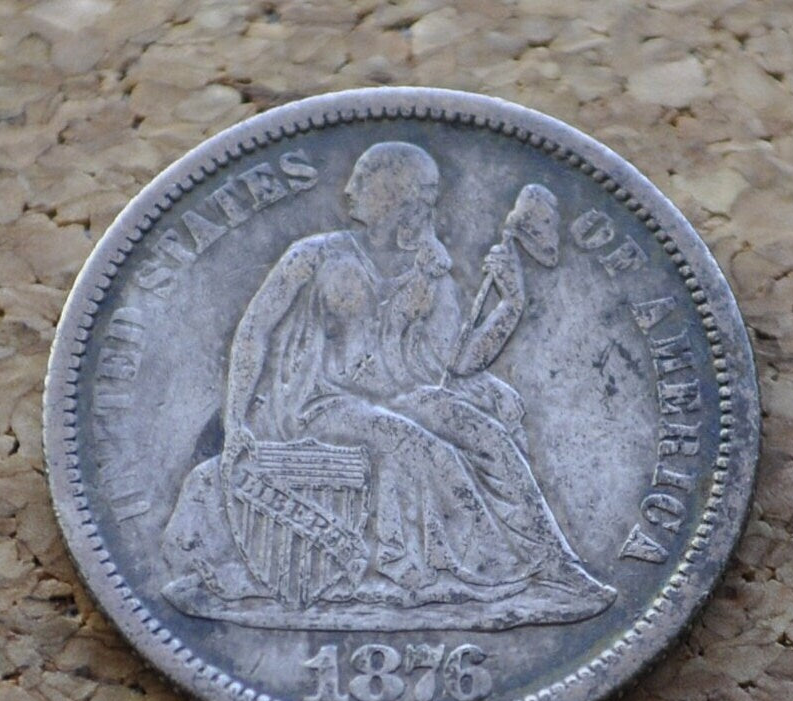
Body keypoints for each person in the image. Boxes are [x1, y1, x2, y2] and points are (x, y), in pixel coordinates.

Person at [162, 142, 615, 625]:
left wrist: (509, 305)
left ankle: (555, 565)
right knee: (416, 444)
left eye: (364, 179)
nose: (349, 189)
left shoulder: (431, 272)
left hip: (401, 396)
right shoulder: (313, 256)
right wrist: (236, 421)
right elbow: (254, 331)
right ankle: (472, 573)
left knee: (487, 436)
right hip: (315, 405)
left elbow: (460, 362)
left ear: (396, 196)